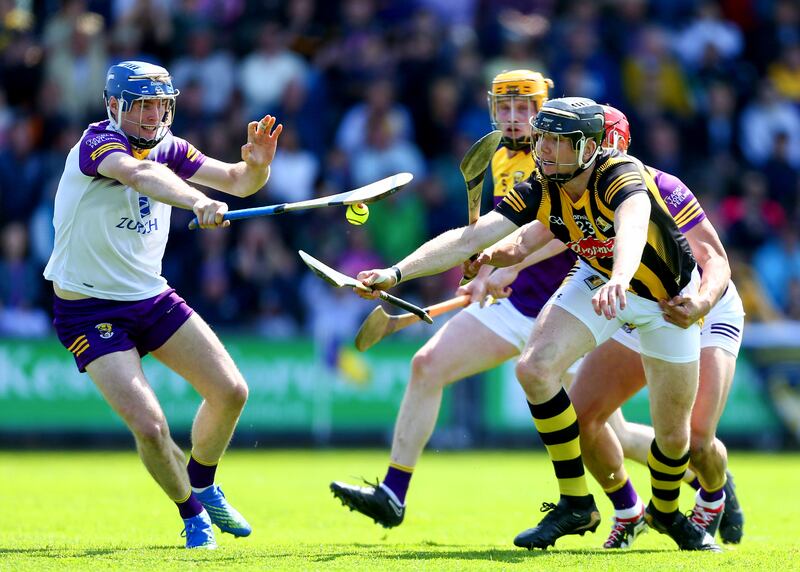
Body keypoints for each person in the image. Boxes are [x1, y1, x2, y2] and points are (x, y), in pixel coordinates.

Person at [348, 96, 719, 551]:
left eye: (555, 141)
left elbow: (632, 228)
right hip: (596, 280)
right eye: (541, 138)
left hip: (665, 299)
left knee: (674, 436)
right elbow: (473, 237)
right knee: (534, 369)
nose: (542, 148)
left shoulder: (621, 175)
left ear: (587, 148)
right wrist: (397, 273)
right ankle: (576, 503)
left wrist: (625, 279)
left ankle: (666, 512)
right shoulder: (543, 185)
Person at [42, 61, 283, 549]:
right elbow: (139, 174)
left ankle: (203, 483)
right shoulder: (97, 144)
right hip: (89, 310)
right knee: (151, 428)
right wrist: (197, 201)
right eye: (143, 106)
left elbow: (236, 181)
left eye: (161, 105)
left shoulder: (170, 145)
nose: (154, 116)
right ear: (115, 105)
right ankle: (192, 515)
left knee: (232, 392)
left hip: (150, 297)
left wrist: (258, 166)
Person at [481, 106, 744, 548]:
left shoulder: (660, 188)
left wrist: (700, 303)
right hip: (632, 298)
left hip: (703, 300)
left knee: (697, 441)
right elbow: (550, 236)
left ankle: (714, 493)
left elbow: (714, 259)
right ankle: (628, 510)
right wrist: (498, 263)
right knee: (584, 419)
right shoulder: (573, 186)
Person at [330, 69, 578, 529]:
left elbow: (561, 232)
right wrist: (476, 274)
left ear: (544, 109)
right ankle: (392, 494)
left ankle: (671, 491)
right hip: (513, 305)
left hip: (570, 310)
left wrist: (506, 269)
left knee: (602, 431)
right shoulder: (500, 159)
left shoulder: (563, 157)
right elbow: (490, 234)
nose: (513, 117)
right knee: (427, 365)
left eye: (524, 107)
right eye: (505, 107)